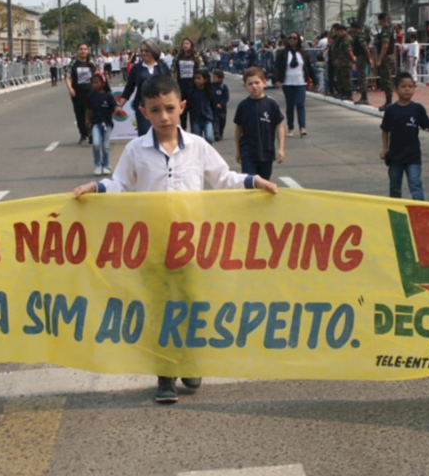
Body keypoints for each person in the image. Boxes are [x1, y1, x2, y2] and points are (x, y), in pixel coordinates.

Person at [72, 74, 278, 404]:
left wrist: (255, 181)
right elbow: (120, 185)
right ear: (143, 112)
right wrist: (94, 188)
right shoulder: (136, 150)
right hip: (151, 246)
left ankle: (190, 360)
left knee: (191, 305)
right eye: (155, 110)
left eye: (169, 108)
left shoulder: (198, 146)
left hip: (192, 246)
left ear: (181, 107)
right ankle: (165, 375)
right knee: (158, 310)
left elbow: (223, 178)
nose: (164, 117)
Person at [380, 72, 429, 200]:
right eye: (403, 86)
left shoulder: (417, 109)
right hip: (395, 158)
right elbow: (385, 130)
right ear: (396, 90)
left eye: (410, 86)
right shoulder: (391, 110)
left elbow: (428, 125)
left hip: (413, 157)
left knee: (415, 185)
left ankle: (419, 212)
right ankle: (396, 215)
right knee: (395, 188)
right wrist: (385, 149)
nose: (407, 89)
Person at [235, 67, 286, 181]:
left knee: (264, 183)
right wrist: (238, 151)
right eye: (250, 84)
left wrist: (281, 149)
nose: (254, 86)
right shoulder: (243, 106)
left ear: (264, 83)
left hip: (266, 151)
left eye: (257, 82)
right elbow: (238, 128)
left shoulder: (271, 104)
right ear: (245, 86)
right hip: (247, 151)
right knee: (250, 181)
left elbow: (279, 126)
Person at [119, 39, 170, 138]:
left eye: (146, 50)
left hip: (161, 107)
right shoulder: (137, 68)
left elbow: (170, 86)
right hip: (143, 108)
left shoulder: (162, 67)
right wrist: (120, 105)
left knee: (160, 135)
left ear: (153, 51)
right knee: (145, 135)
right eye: (141, 51)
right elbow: (129, 88)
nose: (143, 53)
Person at [274, 31, 315, 137]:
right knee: (290, 106)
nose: (292, 40)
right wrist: (276, 80)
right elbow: (277, 67)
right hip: (287, 83)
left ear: (298, 40)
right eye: (290, 38)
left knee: (300, 104)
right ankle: (291, 128)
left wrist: (315, 80)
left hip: (300, 82)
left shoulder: (303, 53)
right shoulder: (282, 53)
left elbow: (309, 68)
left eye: (294, 38)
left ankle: (302, 127)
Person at [85, 72, 118, 176]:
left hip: (107, 124)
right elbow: (88, 109)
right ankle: (97, 165)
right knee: (95, 144)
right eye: (92, 82)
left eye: (96, 82)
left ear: (103, 83)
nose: (94, 84)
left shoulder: (108, 96)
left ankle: (106, 165)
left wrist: (117, 110)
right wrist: (87, 119)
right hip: (95, 123)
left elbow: (115, 107)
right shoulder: (91, 95)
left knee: (105, 145)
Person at [66, 44, 97, 145]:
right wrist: (70, 88)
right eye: (81, 49)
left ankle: (92, 133)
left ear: (88, 51)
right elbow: (68, 77)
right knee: (80, 114)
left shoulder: (92, 63)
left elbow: (99, 75)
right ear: (77, 51)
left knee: (92, 113)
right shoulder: (73, 63)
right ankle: (83, 134)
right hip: (77, 93)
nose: (83, 51)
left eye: (85, 49)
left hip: (91, 92)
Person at [173, 39, 203, 130]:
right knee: (183, 112)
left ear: (191, 45)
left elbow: (200, 71)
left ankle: (194, 131)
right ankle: (183, 130)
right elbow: (175, 71)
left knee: (193, 112)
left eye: (187, 43)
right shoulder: (178, 57)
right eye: (183, 43)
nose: (185, 45)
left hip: (193, 88)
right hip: (181, 88)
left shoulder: (196, 57)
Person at [373, 13, 397, 111]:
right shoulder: (389, 29)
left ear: (383, 20)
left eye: (379, 20)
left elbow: (385, 45)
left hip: (386, 57)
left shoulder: (386, 30)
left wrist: (380, 59)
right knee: (386, 78)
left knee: (387, 79)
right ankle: (388, 101)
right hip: (389, 56)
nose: (378, 22)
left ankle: (389, 101)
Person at [187, 69, 215, 144]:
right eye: (195, 78)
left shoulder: (209, 91)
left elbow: (213, 105)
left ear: (205, 79)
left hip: (207, 118)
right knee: (197, 140)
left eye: (199, 78)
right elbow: (189, 106)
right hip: (196, 119)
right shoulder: (192, 92)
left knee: (209, 138)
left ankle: (208, 153)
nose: (196, 80)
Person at [329, 23, 355, 101]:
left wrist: (353, 59)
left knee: (346, 78)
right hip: (340, 62)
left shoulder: (346, 39)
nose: (338, 33)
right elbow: (330, 38)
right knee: (340, 78)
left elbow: (349, 51)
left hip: (346, 62)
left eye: (340, 31)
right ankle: (342, 92)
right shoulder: (339, 39)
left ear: (345, 31)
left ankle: (348, 94)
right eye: (338, 31)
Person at [350, 21, 374, 105]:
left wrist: (369, 58)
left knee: (361, 77)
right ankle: (363, 96)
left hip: (362, 57)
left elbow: (364, 47)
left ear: (355, 28)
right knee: (361, 77)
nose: (351, 29)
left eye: (352, 28)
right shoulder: (358, 35)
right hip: (360, 56)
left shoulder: (360, 35)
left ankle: (364, 97)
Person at [211, 70, 230, 142]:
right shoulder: (211, 86)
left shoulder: (223, 87)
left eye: (215, 77)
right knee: (215, 121)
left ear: (221, 78)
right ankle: (216, 133)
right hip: (214, 108)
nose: (213, 79)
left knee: (222, 122)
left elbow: (226, 97)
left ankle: (221, 132)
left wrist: (221, 103)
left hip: (222, 109)